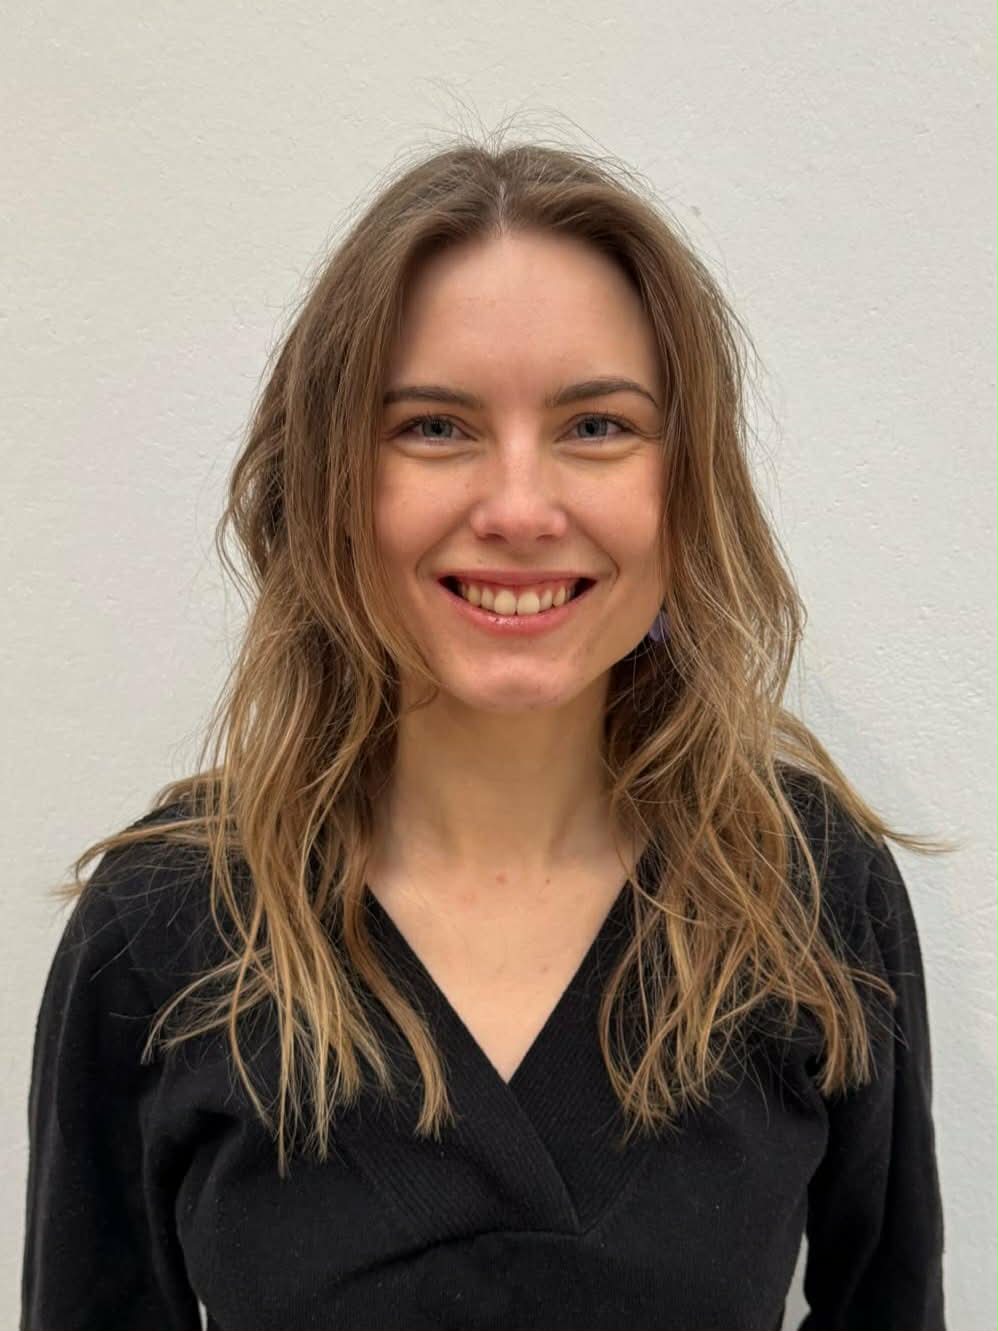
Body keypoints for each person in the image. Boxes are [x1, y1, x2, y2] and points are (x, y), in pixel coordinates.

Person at [21, 129, 947, 1331]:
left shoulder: (807, 891)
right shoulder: (162, 925)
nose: (518, 507)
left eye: (595, 425)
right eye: (434, 426)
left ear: (685, 485)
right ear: (332, 480)